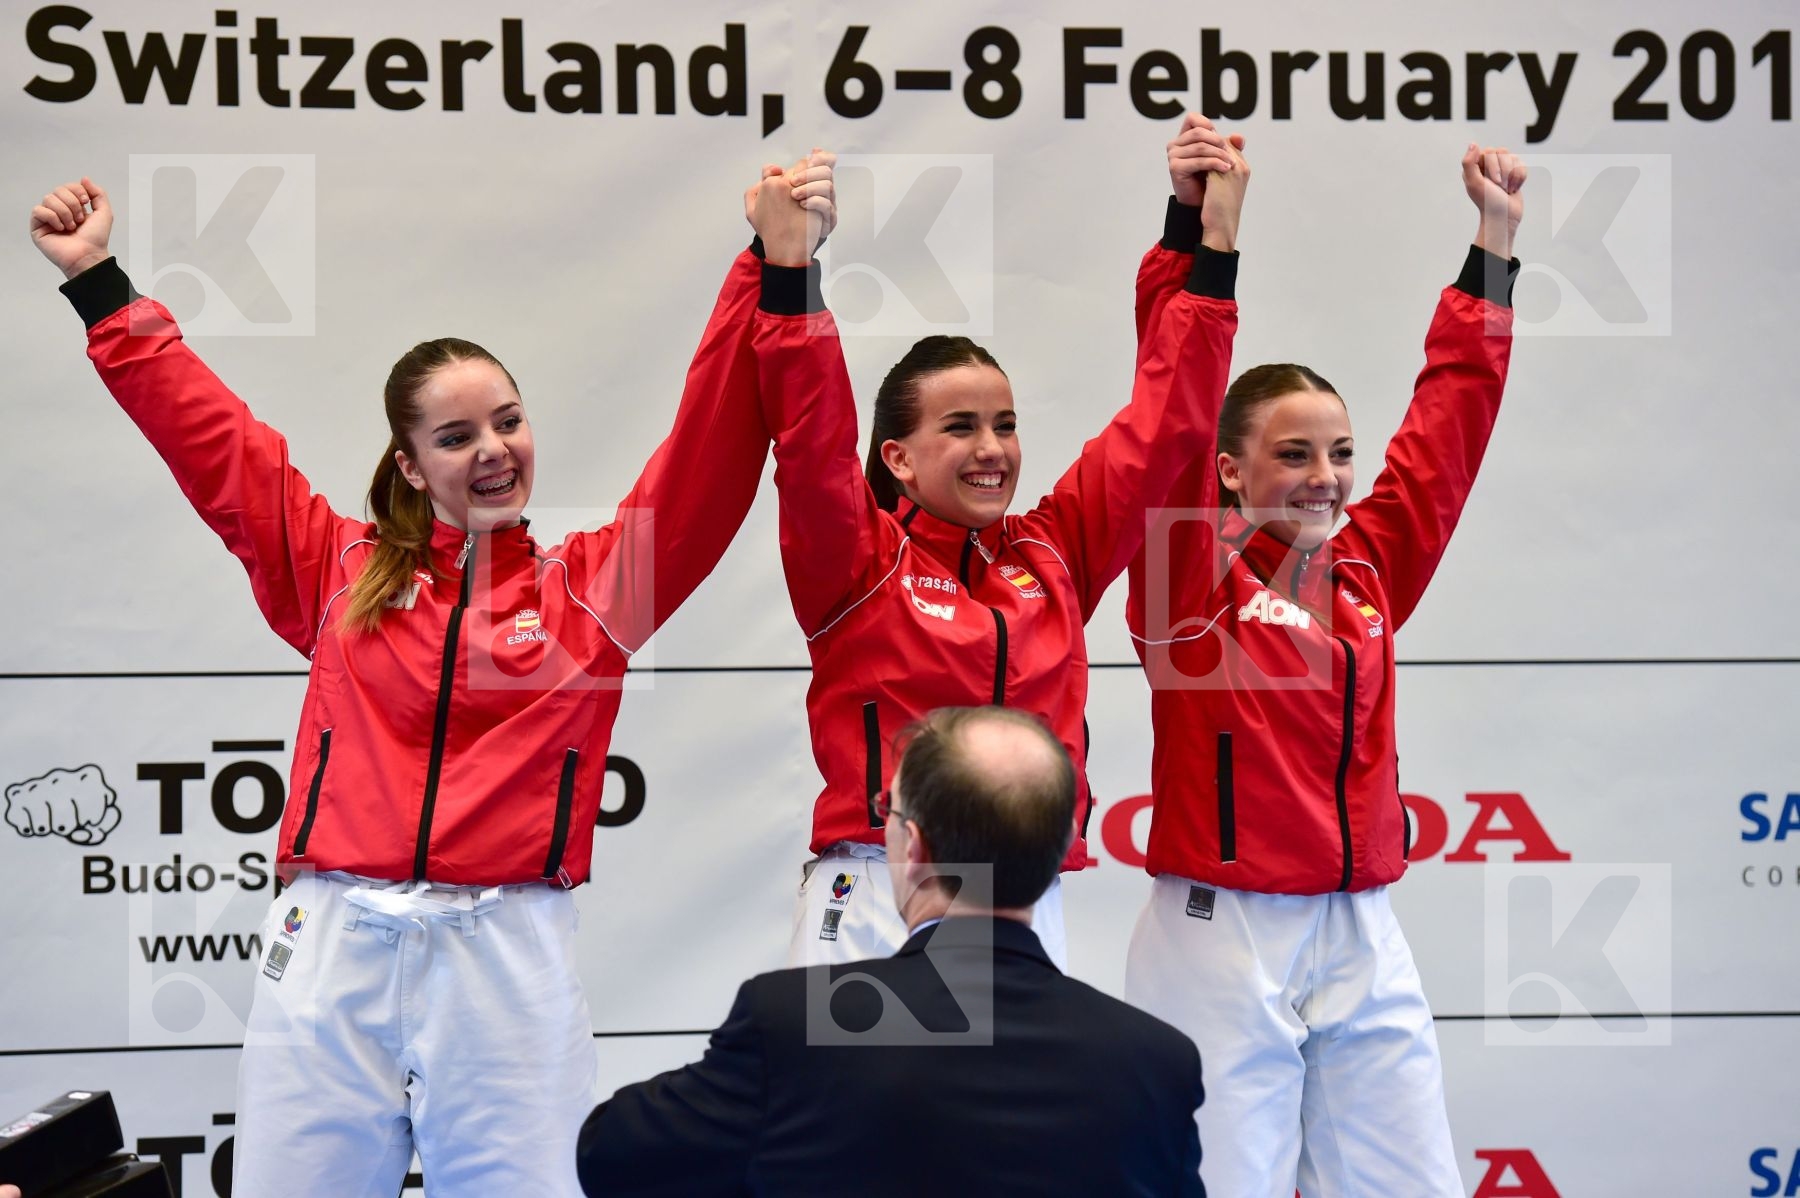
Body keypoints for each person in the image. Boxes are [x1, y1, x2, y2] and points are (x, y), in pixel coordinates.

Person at [27, 163, 833, 1196]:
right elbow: (213, 442)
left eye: (508, 419)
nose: (494, 450)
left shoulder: (593, 593)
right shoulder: (336, 572)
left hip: (502, 961)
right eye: (456, 437)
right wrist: (99, 280)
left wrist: (768, 265)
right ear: (409, 464)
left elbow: (711, 449)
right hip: (329, 953)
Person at [1122, 144, 1529, 1197]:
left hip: (1360, 922)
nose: (1326, 477)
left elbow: (1446, 433)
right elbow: (1166, 410)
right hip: (1222, 932)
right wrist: (1204, 247)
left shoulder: (1367, 565)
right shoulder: (1185, 573)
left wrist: (1493, 247)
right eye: (1295, 454)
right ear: (1229, 470)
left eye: (1339, 452)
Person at [753, 117, 1248, 968]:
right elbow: (809, 440)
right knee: (857, 1109)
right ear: (897, 458)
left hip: (1023, 896)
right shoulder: (858, 560)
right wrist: (792, 272)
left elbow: (1168, 424)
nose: (993, 449)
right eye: (962, 427)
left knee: (1022, 1108)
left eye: (1006, 425)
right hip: (878, 890)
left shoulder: (1054, 553)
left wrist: (1204, 243)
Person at [576, 706, 1207, 1197]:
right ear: (1062, 846)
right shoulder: (1155, 1062)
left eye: (888, 811)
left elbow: (610, 1155)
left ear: (914, 846)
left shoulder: (803, 1022)